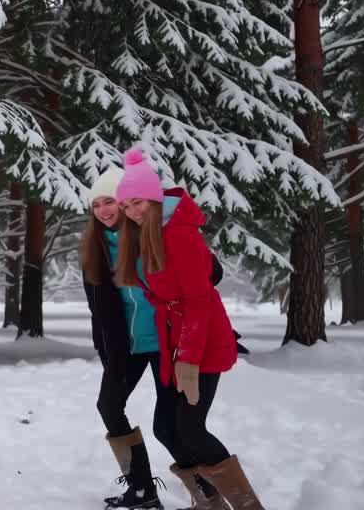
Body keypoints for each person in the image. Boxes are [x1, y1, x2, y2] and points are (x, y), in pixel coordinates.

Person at [114, 148, 266, 510]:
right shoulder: (146, 236)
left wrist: (188, 360)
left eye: (138, 202)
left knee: (191, 428)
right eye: (127, 205)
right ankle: (207, 502)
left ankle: (248, 506)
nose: (133, 211)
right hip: (176, 342)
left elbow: (197, 300)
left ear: (153, 198)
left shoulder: (179, 235)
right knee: (166, 428)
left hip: (202, 343)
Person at [81, 166, 173, 509]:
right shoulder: (94, 247)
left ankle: (207, 495)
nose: (104, 210)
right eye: (97, 204)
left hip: (166, 343)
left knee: (173, 426)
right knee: (108, 405)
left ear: (125, 203)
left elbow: (207, 271)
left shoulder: (154, 233)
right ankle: (141, 489)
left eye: (111, 202)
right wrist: (104, 349)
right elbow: (97, 308)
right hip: (127, 347)